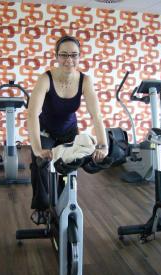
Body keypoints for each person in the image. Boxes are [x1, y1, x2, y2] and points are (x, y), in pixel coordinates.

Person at [27, 35, 109, 224]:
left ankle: (63, 205)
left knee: (68, 169)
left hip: (69, 131)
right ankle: (41, 207)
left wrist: (103, 145)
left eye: (74, 55)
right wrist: (38, 149)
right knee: (40, 165)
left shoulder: (85, 80)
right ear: (56, 56)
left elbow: (96, 115)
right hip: (45, 130)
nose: (69, 60)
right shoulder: (46, 78)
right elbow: (32, 114)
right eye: (64, 55)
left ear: (80, 56)